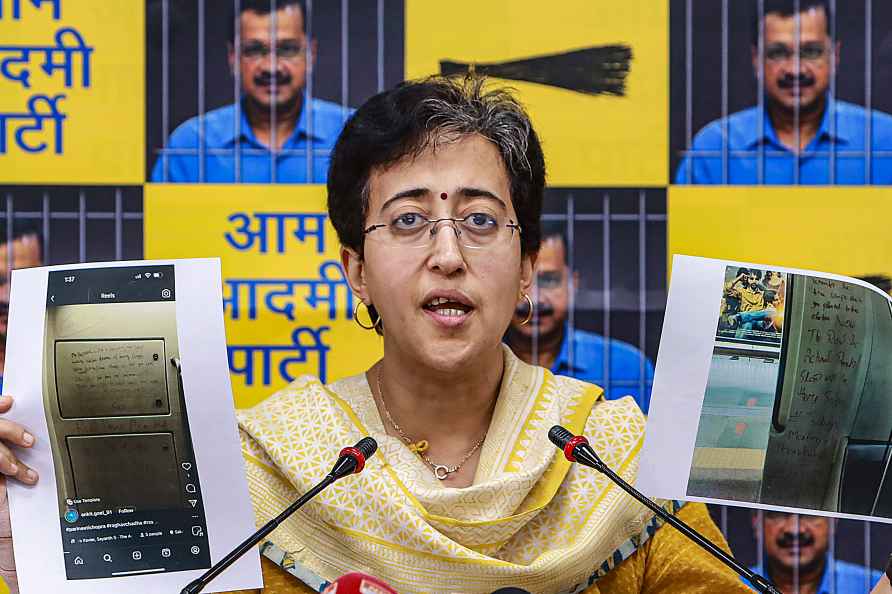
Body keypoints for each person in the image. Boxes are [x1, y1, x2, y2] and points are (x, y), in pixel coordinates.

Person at [0, 77, 752, 593]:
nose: (448, 254)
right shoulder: (271, 473)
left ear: (527, 269)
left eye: (481, 220)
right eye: (410, 220)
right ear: (356, 270)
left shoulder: (620, 463)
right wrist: (13, 528)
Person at [676, 0, 892, 185]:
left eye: (811, 52)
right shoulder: (714, 148)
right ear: (755, 59)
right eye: (777, 53)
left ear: (834, 56)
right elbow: (686, 233)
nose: (795, 69)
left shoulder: (884, 141)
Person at [150, 0, 349, 183]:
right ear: (232, 57)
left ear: (311, 53)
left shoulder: (353, 134)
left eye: (287, 49)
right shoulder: (191, 145)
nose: (271, 67)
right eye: (254, 50)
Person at [503, 223, 654, 412]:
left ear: (573, 283)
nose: (534, 298)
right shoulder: (475, 366)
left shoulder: (628, 367)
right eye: (521, 280)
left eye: (549, 280)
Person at [750, 511, 882, 594]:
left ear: (833, 521)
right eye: (778, 513)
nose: (794, 529)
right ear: (756, 523)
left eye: (809, 513)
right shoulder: (732, 586)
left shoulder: (878, 587)